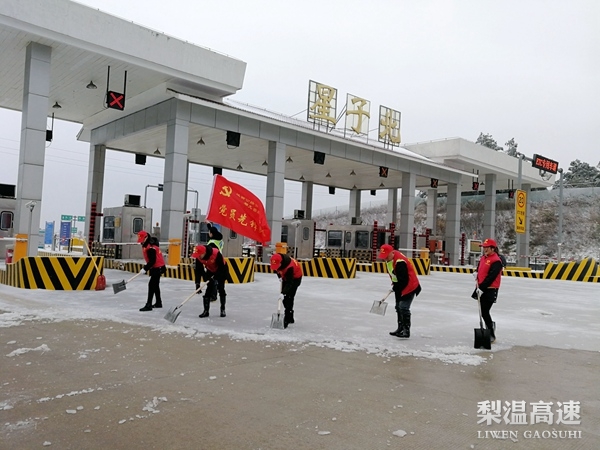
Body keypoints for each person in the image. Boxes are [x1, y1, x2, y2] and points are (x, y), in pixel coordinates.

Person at [378, 244, 421, 339]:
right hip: (398, 284)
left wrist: (396, 288)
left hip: (410, 285)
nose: (385, 259)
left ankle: (406, 330)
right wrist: (395, 285)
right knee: (398, 307)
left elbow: (404, 280)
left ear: (392, 253)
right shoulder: (390, 259)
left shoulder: (400, 262)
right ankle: (400, 328)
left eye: (386, 256)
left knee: (403, 307)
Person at [472, 238, 503, 343]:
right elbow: (479, 269)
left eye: (487, 247)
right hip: (481, 287)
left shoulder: (496, 261)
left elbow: (491, 277)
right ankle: (490, 326)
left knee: (485, 311)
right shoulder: (483, 258)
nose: (485, 249)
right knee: (482, 311)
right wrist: (476, 272)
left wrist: (481, 288)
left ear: (493, 248)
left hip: (490, 289)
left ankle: (491, 333)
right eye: (484, 247)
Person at [193, 244, 228, 318]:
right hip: (210, 270)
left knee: (221, 288)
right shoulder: (198, 257)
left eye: (199, 255)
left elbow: (221, 267)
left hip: (222, 269)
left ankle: (222, 309)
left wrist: (216, 277)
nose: (198, 256)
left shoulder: (215, 253)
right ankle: (206, 311)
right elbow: (198, 270)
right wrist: (197, 283)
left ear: (204, 253)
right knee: (209, 289)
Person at [270, 253, 303, 329]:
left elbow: (289, 283)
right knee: (284, 299)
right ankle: (290, 316)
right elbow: (276, 269)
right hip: (285, 277)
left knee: (289, 297)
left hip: (295, 279)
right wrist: (279, 276)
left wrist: (283, 293)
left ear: (281, 263)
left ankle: (288, 318)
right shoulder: (276, 260)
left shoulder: (290, 267)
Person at [137, 230, 166, 312]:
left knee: (151, 285)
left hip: (158, 267)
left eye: (142, 239)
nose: (141, 242)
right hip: (157, 267)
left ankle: (149, 305)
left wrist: (145, 268)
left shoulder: (151, 248)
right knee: (155, 285)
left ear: (146, 237)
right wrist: (147, 267)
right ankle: (158, 302)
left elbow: (152, 261)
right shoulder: (148, 245)